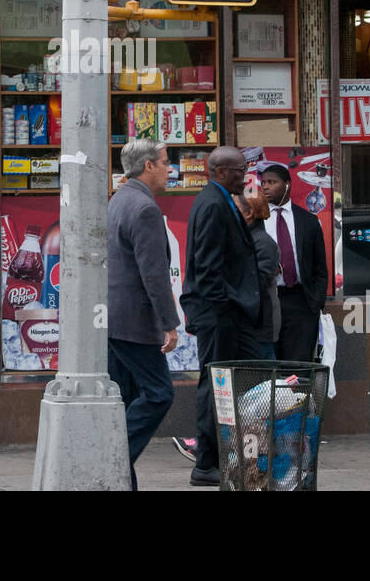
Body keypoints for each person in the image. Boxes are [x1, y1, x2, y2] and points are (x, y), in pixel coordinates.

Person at [179, 145, 261, 487]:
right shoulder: (213, 204)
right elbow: (209, 266)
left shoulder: (221, 197)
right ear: (220, 172)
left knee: (232, 381)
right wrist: (223, 307)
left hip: (227, 312)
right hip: (219, 313)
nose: (246, 176)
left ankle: (232, 454)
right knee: (215, 386)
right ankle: (206, 462)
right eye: (239, 171)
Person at [107, 139, 180, 491]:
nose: (170, 169)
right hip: (134, 322)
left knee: (123, 399)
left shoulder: (119, 199)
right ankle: (111, 457)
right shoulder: (144, 208)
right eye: (166, 162)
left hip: (115, 321)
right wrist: (170, 324)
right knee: (159, 393)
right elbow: (153, 273)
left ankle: (119, 476)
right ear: (148, 166)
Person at [260, 164, 329, 362]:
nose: (265, 187)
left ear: (287, 185)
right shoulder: (257, 220)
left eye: (272, 182)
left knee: (298, 364)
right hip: (268, 299)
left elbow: (320, 267)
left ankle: (298, 394)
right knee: (270, 363)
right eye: (263, 182)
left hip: (301, 301)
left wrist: (315, 304)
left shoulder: (307, 221)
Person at [236, 186, 282, 360]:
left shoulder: (263, 243)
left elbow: (255, 284)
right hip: (248, 326)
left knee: (261, 382)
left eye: (235, 209)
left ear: (248, 213)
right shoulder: (245, 238)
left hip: (259, 328)